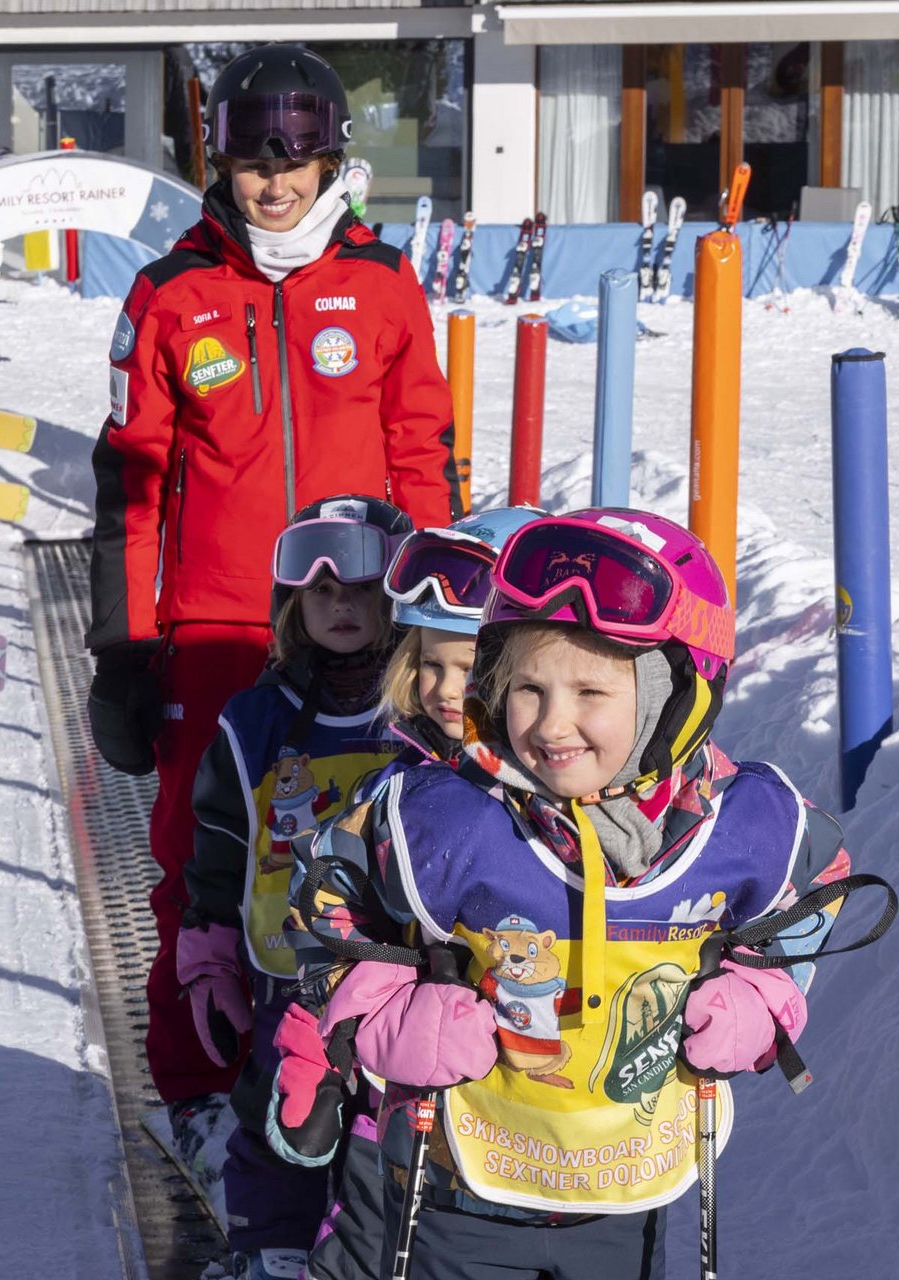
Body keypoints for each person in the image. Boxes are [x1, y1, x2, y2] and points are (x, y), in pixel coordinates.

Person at [84, 40, 457, 1166]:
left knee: (380, 849)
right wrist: (123, 648)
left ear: (334, 157)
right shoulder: (169, 294)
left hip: (365, 627)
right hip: (220, 630)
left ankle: (364, 1070)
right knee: (199, 861)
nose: (276, 181)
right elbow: (128, 484)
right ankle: (200, 1091)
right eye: (253, 158)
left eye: (298, 157)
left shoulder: (385, 285)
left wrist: (444, 621)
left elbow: (425, 457)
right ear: (222, 162)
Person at [310, 508, 849, 1280]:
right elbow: (327, 895)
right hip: (456, 1190)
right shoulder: (447, 815)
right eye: (527, 687)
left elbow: (816, 885)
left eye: (590, 691)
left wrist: (763, 996)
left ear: (672, 698)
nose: (552, 723)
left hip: (620, 1197)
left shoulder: (734, 825)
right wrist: (384, 1011)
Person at [266, 506, 544, 1280]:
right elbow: (327, 910)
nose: (446, 690)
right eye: (429, 663)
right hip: (397, 1101)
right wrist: (316, 1036)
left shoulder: (576, 800)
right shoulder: (396, 792)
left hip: (538, 1121)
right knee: (368, 1247)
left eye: (471, 668)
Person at [177, 495, 413, 1280]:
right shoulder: (255, 721)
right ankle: (270, 1248)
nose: (340, 605)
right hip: (289, 972)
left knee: (379, 1128)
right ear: (291, 604)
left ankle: (363, 1256)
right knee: (279, 1111)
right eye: (320, 591)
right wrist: (209, 955)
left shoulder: (420, 716)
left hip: (395, 979)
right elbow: (217, 845)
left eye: (360, 587)